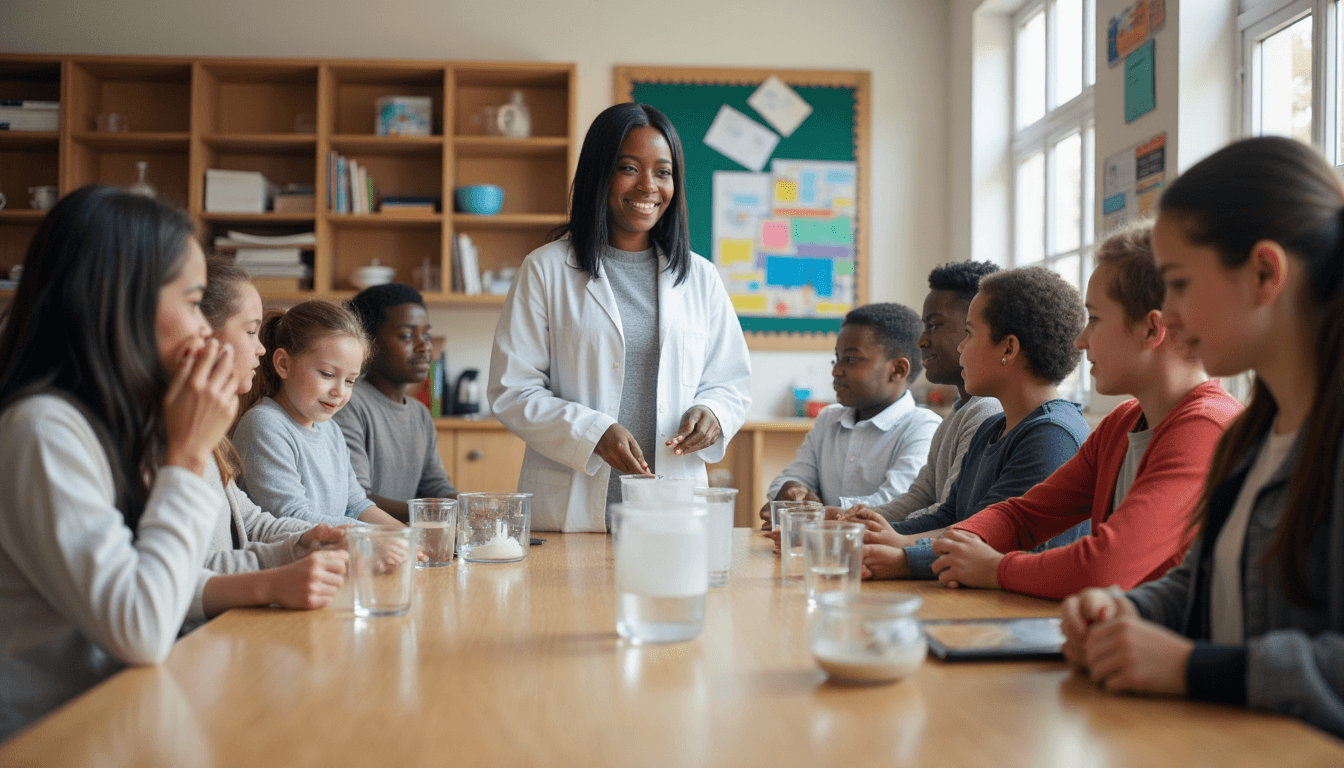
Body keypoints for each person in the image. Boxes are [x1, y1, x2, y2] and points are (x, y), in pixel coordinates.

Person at [1059, 137, 1344, 738]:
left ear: (1265, 273)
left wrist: (1194, 668)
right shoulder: (1253, 436)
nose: (1171, 315)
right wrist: (1127, 610)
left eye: (1181, 285)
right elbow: (1210, 581)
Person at [0, 186, 239, 740]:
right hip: (53, 738)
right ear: (123, 299)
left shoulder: (119, 421)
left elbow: (160, 580)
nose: (206, 329)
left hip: (124, 717)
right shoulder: (41, 429)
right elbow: (141, 627)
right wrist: (187, 455)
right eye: (193, 300)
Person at [930, 222, 1242, 598]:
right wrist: (965, 540)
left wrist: (995, 568)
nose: (1081, 340)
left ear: (1150, 329)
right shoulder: (1120, 424)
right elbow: (1022, 515)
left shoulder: (1205, 429)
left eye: (1094, 318)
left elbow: (1104, 568)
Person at [488, 103, 751, 532]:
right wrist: (592, 432)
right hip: (572, 508)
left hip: (671, 508)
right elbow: (512, 390)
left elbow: (731, 381)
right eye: (628, 168)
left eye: (663, 172)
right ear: (599, 172)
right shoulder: (546, 269)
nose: (648, 186)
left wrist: (714, 413)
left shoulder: (699, 277)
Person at [848, 266, 1092, 579]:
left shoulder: (1051, 436)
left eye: (970, 334)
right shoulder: (992, 428)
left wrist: (905, 556)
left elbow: (993, 539)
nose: (962, 347)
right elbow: (951, 515)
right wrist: (876, 535)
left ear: (1008, 348)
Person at [763, 261, 1004, 531]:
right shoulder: (956, 416)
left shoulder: (972, 414)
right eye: (837, 360)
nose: (922, 340)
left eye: (934, 326)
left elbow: (946, 516)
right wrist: (820, 513)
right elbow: (916, 500)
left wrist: (835, 525)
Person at [195, 258, 349, 606]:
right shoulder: (250, 424)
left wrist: (310, 540)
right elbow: (185, 575)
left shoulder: (209, 432)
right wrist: (276, 577)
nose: (259, 347)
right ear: (201, 332)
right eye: (250, 331)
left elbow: (249, 521)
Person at [758, 303, 941, 519]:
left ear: (897, 370)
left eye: (851, 360)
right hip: (820, 547)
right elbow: (790, 478)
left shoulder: (924, 428)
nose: (836, 370)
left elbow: (896, 503)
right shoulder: (829, 419)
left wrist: (813, 514)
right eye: (837, 358)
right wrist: (792, 489)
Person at [232, 300, 403, 528]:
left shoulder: (330, 428)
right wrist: (382, 537)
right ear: (283, 364)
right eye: (327, 374)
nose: (340, 391)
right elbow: (293, 518)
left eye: (350, 381)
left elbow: (356, 505)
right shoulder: (264, 423)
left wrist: (406, 536)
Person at [339, 283, 457, 522]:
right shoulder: (349, 404)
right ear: (368, 343)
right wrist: (434, 512)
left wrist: (471, 507)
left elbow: (436, 487)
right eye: (406, 336)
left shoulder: (420, 414)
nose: (424, 346)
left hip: (405, 542)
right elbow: (355, 500)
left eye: (425, 334)